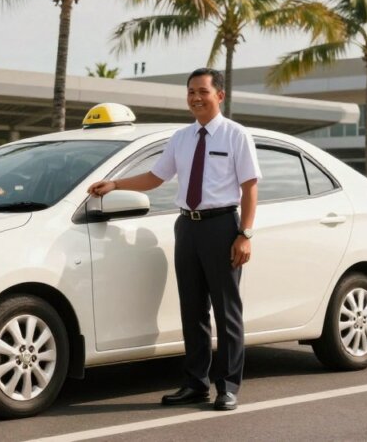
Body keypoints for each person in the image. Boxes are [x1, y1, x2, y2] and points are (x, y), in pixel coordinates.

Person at [87, 68, 261, 412]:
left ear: (219, 96)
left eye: (202, 91)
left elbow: (250, 187)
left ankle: (227, 387)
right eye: (190, 92)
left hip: (222, 226)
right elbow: (156, 176)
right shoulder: (181, 138)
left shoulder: (236, 135)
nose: (195, 97)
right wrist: (116, 184)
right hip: (188, 227)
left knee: (227, 311)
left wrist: (245, 234)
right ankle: (195, 384)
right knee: (192, 309)